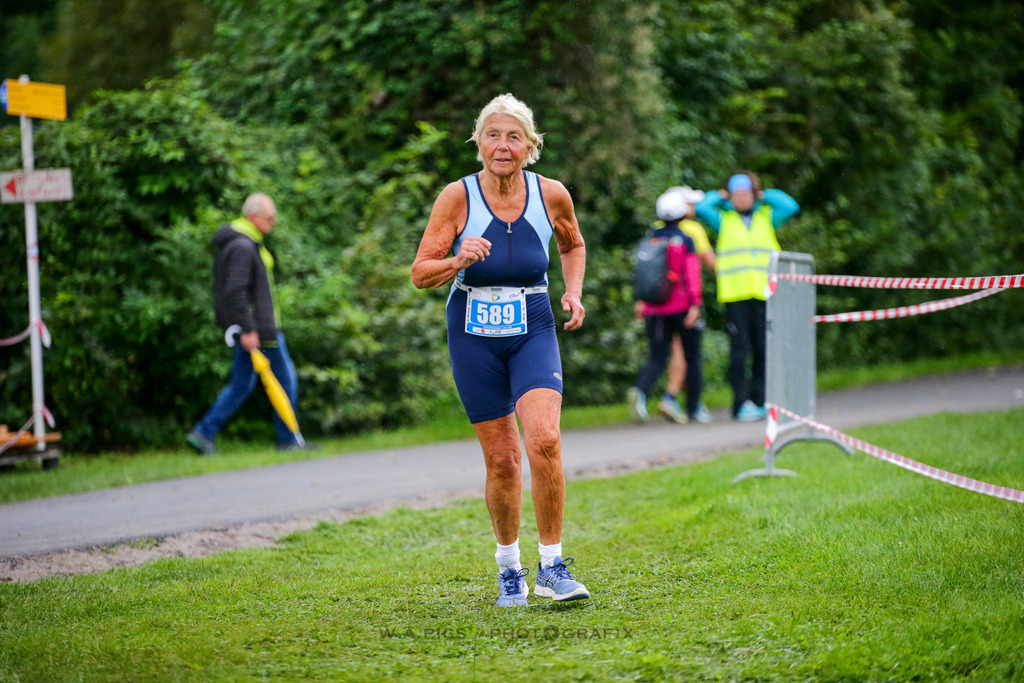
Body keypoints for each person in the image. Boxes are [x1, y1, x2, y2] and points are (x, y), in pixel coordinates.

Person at [411, 94, 590, 607]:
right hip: (472, 332)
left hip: (532, 323)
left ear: (530, 145)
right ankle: (509, 569)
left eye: (514, 136)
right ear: (479, 143)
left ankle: (553, 565)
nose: (503, 146)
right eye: (493, 135)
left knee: (545, 439)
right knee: (505, 460)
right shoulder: (457, 197)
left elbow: (572, 244)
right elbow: (420, 272)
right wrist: (455, 259)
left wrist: (573, 291)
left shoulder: (551, 194)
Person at [187, 193, 315, 455]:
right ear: (253, 216)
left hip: (257, 329)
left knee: (242, 384)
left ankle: (204, 432)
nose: (273, 222)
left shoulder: (242, 243)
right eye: (269, 217)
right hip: (259, 331)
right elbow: (235, 292)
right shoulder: (243, 247)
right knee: (285, 379)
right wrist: (248, 329)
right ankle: (288, 440)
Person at [695, 171, 799, 422]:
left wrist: (764, 195)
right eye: (736, 195)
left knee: (763, 348)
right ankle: (740, 403)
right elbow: (702, 207)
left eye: (746, 194)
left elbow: (791, 205)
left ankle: (761, 399)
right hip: (735, 293)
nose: (741, 199)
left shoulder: (767, 216)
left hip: (764, 292)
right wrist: (720, 196)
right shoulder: (724, 219)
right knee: (739, 350)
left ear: (753, 195)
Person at [627, 187, 705, 425]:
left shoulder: (650, 238)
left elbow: (643, 275)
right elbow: (692, 275)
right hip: (682, 309)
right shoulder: (685, 240)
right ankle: (693, 408)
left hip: (653, 309)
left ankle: (639, 391)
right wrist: (695, 305)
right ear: (682, 214)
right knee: (692, 357)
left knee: (657, 357)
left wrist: (642, 302)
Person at [664, 188, 716, 424]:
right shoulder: (692, 230)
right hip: (686, 303)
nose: (695, 209)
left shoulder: (658, 228)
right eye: (691, 204)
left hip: (660, 305)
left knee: (676, 352)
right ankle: (686, 402)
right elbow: (704, 264)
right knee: (689, 355)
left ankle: (675, 399)